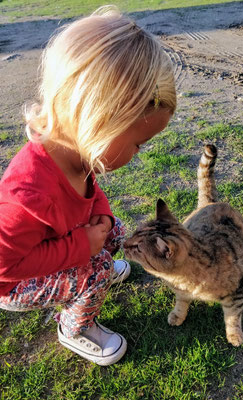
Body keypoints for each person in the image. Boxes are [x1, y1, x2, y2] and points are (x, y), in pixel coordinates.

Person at [0, 5, 176, 366]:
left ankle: (88, 274)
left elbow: (90, 194)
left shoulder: (75, 150)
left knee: (117, 233)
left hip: (57, 245)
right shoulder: (28, 195)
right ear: (99, 123)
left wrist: (104, 221)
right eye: (137, 144)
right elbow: (6, 265)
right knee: (94, 270)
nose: (138, 154)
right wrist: (83, 246)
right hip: (13, 283)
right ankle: (75, 327)